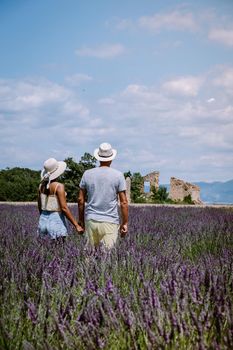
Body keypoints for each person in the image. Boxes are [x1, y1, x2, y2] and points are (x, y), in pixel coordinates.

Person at [78, 142, 128, 249]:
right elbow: (123, 202)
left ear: (98, 158)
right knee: (107, 258)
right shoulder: (118, 175)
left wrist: (81, 220)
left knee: (89, 255)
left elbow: (80, 200)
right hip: (110, 221)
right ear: (111, 158)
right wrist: (124, 223)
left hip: (91, 220)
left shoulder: (87, 174)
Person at [38, 158, 84, 240]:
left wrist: (44, 217)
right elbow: (64, 208)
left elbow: (40, 207)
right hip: (56, 222)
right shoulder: (59, 186)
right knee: (59, 250)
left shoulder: (41, 186)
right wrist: (76, 225)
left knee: (45, 250)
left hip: (42, 222)